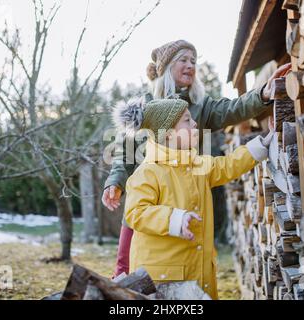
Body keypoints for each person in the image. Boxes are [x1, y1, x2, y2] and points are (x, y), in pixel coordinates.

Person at [103, 39, 291, 277]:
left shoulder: (201, 105)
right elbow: (125, 150)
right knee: (127, 271)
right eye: (183, 59)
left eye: (193, 60)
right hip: (151, 195)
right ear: (167, 66)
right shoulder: (146, 106)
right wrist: (115, 181)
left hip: (188, 192)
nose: (190, 65)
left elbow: (232, 109)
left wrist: (263, 94)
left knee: (191, 262)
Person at [112, 98, 273, 299]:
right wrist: (174, 219)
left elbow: (228, 165)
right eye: (187, 121)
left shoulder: (197, 166)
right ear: (169, 134)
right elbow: (136, 212)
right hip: (163, 282)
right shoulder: (147, 172)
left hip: (198, 274)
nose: (195, 123)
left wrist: (261, 145)